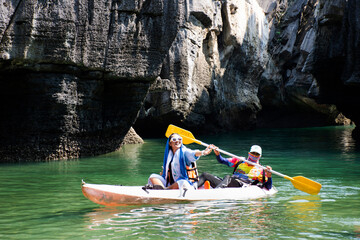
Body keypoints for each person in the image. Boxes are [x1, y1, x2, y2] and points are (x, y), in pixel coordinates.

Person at [147, 133, 212, 189]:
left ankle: (165, 189)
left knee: (182, 182)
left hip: (187, 184)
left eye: (179, 139)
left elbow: (193, 153)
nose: (177, 141)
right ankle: (161, 188)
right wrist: (164, 172)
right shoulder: (169, 155)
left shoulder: (185, 152)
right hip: (171, 183)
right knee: (152, 176)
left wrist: (203, 152)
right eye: (174, 139)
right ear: (170, 143)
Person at [198, 145, 273, 190]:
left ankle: (216, 191)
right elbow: (222, 161)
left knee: (228, 177)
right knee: (205, 175)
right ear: (249, 153)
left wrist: (269, 176)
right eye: (253, 153)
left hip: (242, 186)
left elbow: (268, 187)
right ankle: (192, 189)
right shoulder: (240, 160)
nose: (254, 155)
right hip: (228, 182)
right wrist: (218, 154)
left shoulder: (261, 170)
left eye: (257, 154)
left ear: (260, 156)